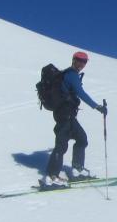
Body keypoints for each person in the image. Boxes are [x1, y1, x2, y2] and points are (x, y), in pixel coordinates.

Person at [43, 51, 108, 187]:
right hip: (64, 114)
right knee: (61, 145)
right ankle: (52, 176)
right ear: (73, 60)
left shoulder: (70, 74)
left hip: (68, 115)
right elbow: (80, 93)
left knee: (81, 139)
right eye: (79, 60)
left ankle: (77, 170)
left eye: (84, 61)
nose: (82, 63)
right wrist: (97, 106)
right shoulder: (71, 75)